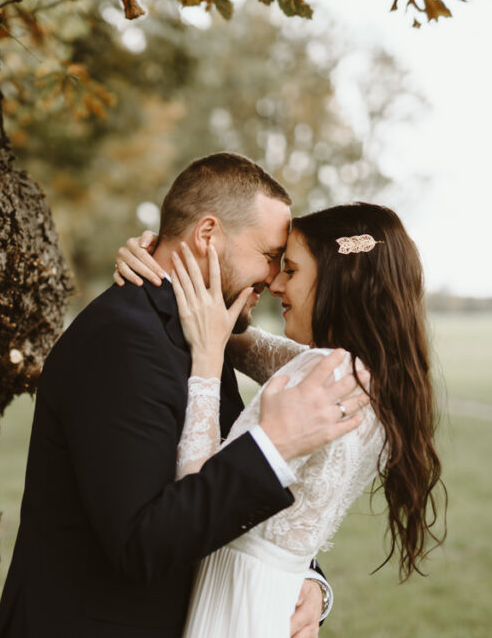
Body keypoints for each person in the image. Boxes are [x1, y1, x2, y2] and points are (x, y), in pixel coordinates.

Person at [0, 153, 369, 638]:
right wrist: (274, 448)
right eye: (269, 255)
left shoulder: (205, 330)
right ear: (207, 236)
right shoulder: (125, 338)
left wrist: (307, 577)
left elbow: (214, 489)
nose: (274, 279)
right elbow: (141, 543)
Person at [114, 202, 445, 636]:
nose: (274, 284)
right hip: (277, 594)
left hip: (237, 597)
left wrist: (207, 362)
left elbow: (196, 480)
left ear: (338, 279)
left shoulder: (318, 374)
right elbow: (240, 340)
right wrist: (168, 263)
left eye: (291, 270)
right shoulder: (372, 375)